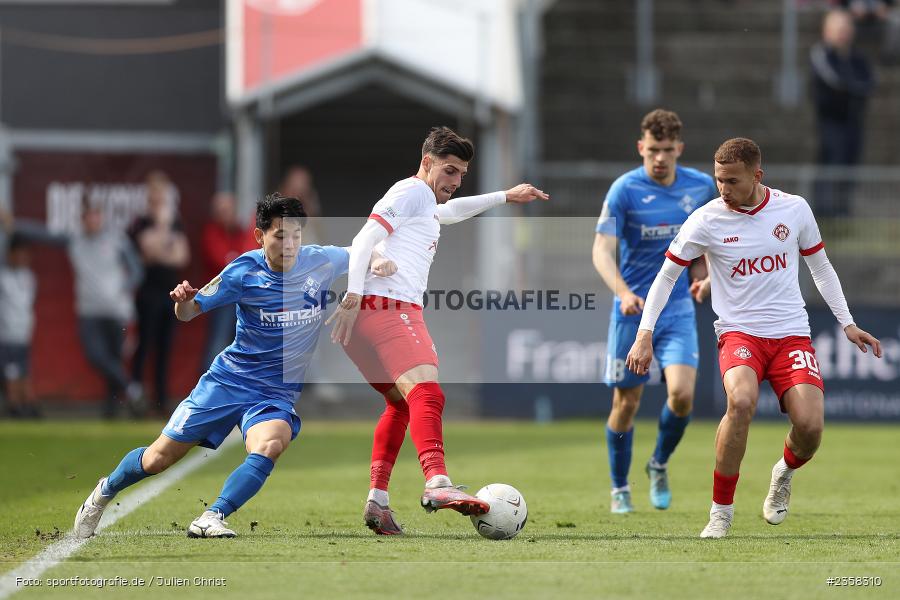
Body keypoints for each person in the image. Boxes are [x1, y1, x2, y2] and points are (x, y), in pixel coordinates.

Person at [73, 194, 396, 539]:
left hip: (275, 391)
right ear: (260, 236)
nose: (290, 245)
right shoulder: (243, 271)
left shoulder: (320, 261)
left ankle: (213, 516)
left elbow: (359, 250)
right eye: (280, 236)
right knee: (157, 460)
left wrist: (377, 259)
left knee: (271, 443)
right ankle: (103, 492)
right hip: (228, 382)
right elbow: (189, 312)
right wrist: (182, 302)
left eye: (296, 236)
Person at [625, 137, 881, 538]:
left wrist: (846, 323)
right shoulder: (706, 219)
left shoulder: (793, 209)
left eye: (731, 181)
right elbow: (666, 276)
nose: (722, 189)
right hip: (739, 332)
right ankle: (720, 513)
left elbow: (821, 268)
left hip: (791, 335)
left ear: (757, 176)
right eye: (717, 180)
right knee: (741, 400)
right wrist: (645, 334)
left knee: (811, 428)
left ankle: (783, 472)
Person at [326, 126, 548, 535]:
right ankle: (437, 482)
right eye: (449, 171)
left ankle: (378, 501)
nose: (456, 180)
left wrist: (505, 196)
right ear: (426, 162)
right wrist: (353, 295)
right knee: (429, 392)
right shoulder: (410, 192)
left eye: (461, 172)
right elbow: (363, 239)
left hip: (367, 322)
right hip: (388, 309)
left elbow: (449, 213)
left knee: (401, 405)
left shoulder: (424, 202)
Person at [592, 109, 718, 514]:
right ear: (640, 148)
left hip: (677, 308)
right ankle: (618, 487)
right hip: (632, 311)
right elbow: (601, 250)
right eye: (653, 150)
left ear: (679, 148)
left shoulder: (700, 188)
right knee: (626, 404)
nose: (660, 158)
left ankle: (658, 463)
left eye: (667, 150)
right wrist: (623, 292)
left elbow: (709, 245)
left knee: (682, 396)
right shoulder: (624, 191)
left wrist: (706, 274)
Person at [12, 199, 143, 418]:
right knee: (96, 356)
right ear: (83, 220)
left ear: (101, 217)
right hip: (89, 312)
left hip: (117, 311)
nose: (93, 221)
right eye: (88, 216)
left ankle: (111, 411)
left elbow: (137, 271)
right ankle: (132, 389)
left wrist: (123, 288)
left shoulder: (116, 240)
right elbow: (42, 234)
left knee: (114, 359)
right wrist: (13, 224)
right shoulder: (75, 240)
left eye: (96, 215)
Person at [129, 171, 191, 416]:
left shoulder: (176, 221)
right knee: (144, 345)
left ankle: (161, 399)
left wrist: (162, 246)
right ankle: (136, 398)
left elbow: (182, 256)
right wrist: (163, 229)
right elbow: (149, 251)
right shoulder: (142, 222)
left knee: (165, 347)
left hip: (170, 292)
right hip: (148, 291)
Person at [810, 9, 875, 216]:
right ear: (826, 31)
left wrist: (853, 89)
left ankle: (843, 211)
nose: (843, 33)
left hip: (853, 121)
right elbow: (836, 83)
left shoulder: (857, 57)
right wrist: (853, 89)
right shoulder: (822, 55)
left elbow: (869, 82)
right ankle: (824, 212)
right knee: (832, 162)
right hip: (831, 121)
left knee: (850, 162)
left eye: (846, 28)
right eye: (838, 29)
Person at [199, 192, 256, 374]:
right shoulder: (211, 232)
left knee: (243, 344)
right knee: (218, 343)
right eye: (221, 211)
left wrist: (238, 259)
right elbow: (227, 263)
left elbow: (248, 258)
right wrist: (240, 260)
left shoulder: (242, 232)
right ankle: (209, 387)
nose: (225, 214)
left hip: (244, 297)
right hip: (221, 298)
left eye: (228, 210)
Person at [0, 232, 39, 418]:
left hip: (24, 334)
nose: (23, 257)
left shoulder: (30, 277)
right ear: (9, 254)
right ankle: (14, 407)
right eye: (18, 253)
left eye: (26, 253)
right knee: (11, 374)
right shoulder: (3, 277)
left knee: (24, 372)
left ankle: (28, 407)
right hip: (6, 336)